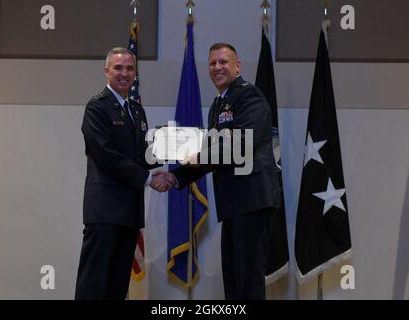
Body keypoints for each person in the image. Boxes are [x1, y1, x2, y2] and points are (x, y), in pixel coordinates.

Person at [168, 43, 280, 299]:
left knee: (248, 280)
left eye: (223, 62)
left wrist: (200, 156)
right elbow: (210, 156)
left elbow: (242, 145)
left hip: (252, 203)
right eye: (212, 63)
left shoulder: (248, 97)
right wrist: (175, 177)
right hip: (235, 205)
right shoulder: (219, 104)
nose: (217, 67)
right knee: (234, 279)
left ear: (237, 66)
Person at [75, 47, 168, 300]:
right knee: (93, 286)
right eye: (118, 67)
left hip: (129, 213)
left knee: (117, 288)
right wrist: (149, 179)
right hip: (104, 213)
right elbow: (106, 156)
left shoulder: (136, 110)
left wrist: (182, 150)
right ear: (106, 71)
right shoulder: (97, 107)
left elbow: (143, 153)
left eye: (129, 68)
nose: (124, 73)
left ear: (135, 73)